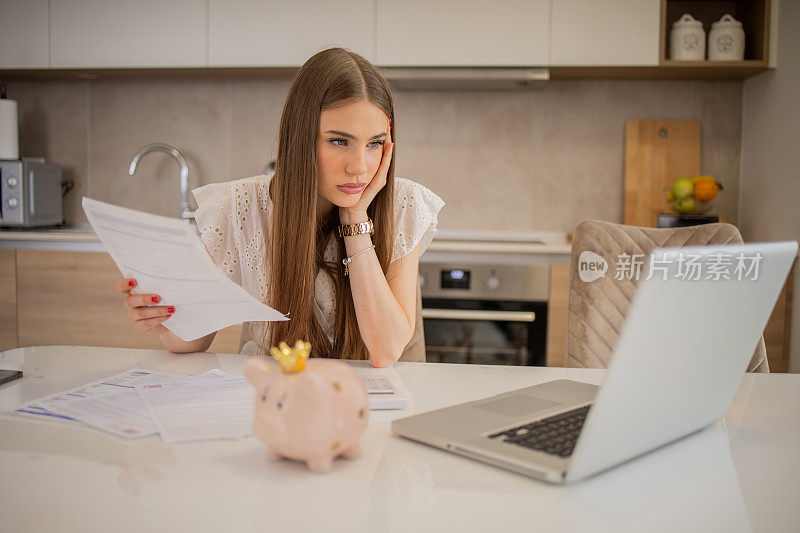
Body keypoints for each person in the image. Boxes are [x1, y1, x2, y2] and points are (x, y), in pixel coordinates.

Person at [113, 48, 444, 367]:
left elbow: (385, 352)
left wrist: (355, 218)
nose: (359, 167)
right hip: (268, 397)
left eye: (373, 144)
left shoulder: (404, 205)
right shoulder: (239, 207)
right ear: (301, 138)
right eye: (339, 141)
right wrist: (161, 317)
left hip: (362, 403)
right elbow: (190, 341)